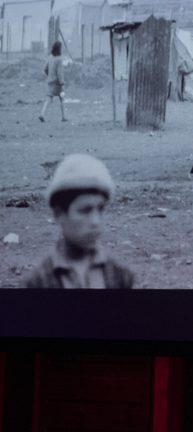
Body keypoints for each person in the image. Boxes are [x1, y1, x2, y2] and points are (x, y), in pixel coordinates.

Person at [24, 154, 134, 288]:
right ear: (59, 214)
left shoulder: (119, 276)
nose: (95, 221)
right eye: (85, 210)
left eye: (100, 209)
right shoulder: (39, 282)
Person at [40, 41, 67, 122]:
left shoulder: (50, 57)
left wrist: (50, 76)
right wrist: (62, 83)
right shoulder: (59, 59)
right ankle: (63, 117)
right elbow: (60, 73)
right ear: (59, 49)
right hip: (57, 83)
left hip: (50, 82)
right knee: (62, 99)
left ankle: (42, 113)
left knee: (48, 99)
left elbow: (45, 69)